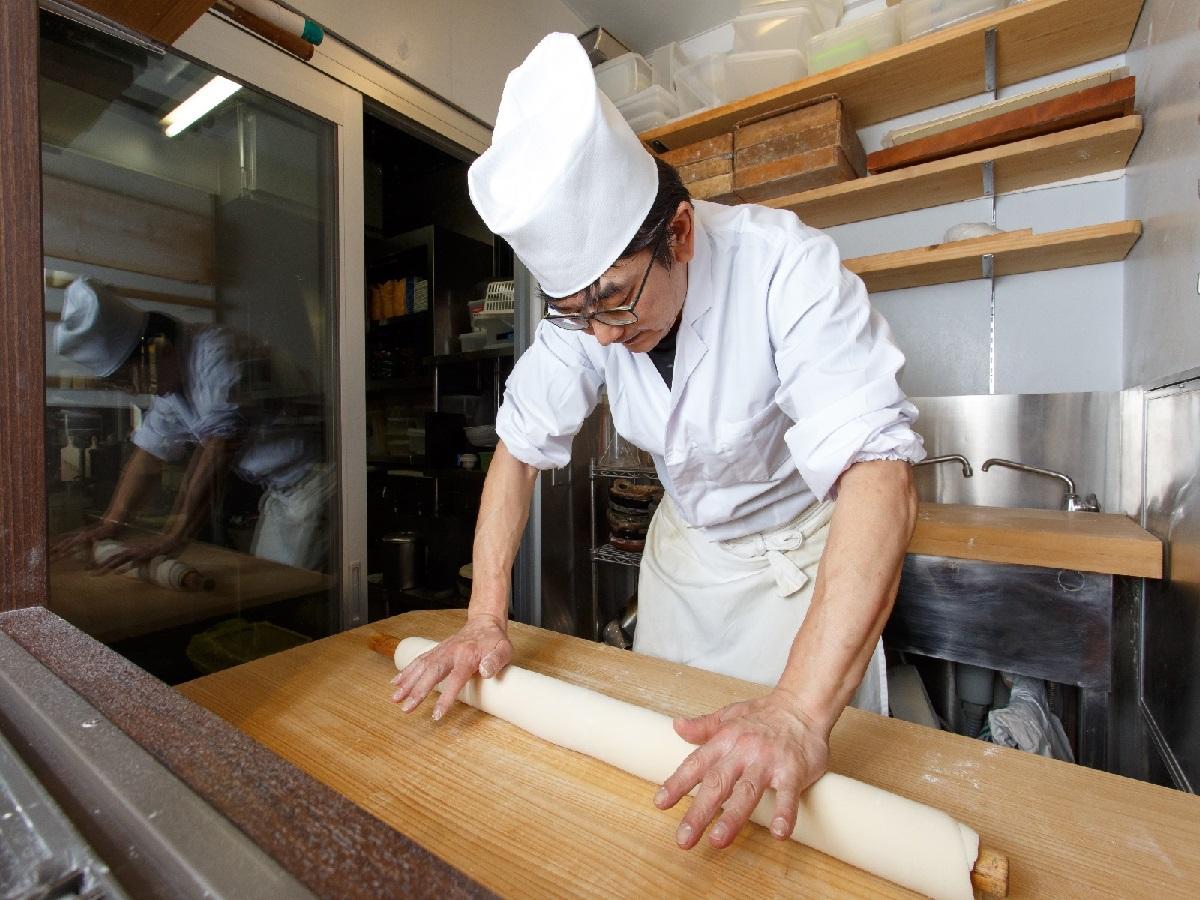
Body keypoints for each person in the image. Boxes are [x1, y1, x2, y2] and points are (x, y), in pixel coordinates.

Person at [391, 33, 925, 850]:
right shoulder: (587, 312)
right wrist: (484, 616)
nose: (598, 336)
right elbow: (519, 448)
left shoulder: (786, 267)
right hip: (686, 568)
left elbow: (879, 475)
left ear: (678, 233)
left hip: (802, 576)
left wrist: (797, 712)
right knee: (660, 798)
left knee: (809, 830)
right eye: (575, 313)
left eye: (612, 302)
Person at [51, 277, 331, 573]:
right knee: (271, 589)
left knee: (289, 591)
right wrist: (109, 524)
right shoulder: (172, 385)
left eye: (129, 378)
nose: (133, 390)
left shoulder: (214, 354)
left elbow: (219, 449)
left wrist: (173, 537)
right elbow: (148, 455)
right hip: (282, 493)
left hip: (318, 483)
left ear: (158, 350)